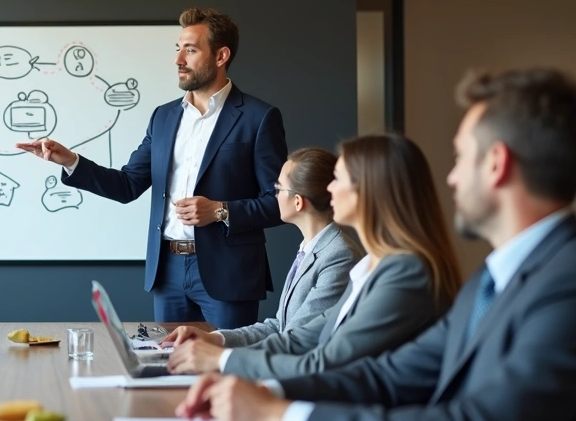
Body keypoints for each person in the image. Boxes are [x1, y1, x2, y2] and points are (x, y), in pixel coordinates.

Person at [177, 68, 576, 421]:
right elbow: (387, 377)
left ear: (496, 164)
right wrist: (263, 392)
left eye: (459, 157)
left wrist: (282, 416)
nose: (450, 178)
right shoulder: (494, 280)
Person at [17, 7, 287, 328]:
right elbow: (128, 185)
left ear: (221, 56)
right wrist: (70, 161)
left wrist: (220, 211)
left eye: (191, 49)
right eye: (178, 49)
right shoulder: (163, 117)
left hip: (229, 273)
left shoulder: (258, 117)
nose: (178, 60)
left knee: (224, 369)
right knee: (169, 370)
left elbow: (280, 203)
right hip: (167, 272)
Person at [166, 135, 461, 379]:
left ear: (370, 191)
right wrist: (217, 343)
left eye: (339, 178)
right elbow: (296, 335)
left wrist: (222, 360)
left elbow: (323, 361)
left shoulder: (401, 271)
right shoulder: (373, 267)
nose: (329, 188)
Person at [168, 147, 361, 349]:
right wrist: (214, 338)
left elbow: (295, 341)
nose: (273, 196)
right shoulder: (309, 249)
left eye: (278, 189)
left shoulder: (339, 256)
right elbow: (279, 327)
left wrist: (219, 358)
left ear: (297, 202)